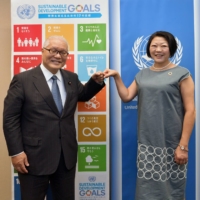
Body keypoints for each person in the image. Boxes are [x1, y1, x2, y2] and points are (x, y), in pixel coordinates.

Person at [3, 35, 105, 200]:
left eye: (63, 52)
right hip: (33, 158)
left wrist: (95, 82)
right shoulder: (23, 80)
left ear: (67, 56)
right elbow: (10, 119)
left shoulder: (71, 78)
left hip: (66, 158)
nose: (58, 56)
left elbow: (83, 95)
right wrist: (16, 152)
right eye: (53, 50)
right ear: (42, 51)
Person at [104, 31, 195, 200]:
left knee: (172, 191)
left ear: (171, 49)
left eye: (163, 46)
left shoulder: (182, 74)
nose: (158, 49)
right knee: (147, 190)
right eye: (154, 46)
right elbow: (126, 96)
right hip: (147, 143)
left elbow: (191, 110)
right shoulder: (142, 74)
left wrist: (183, 146)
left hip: (172, 142)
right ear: (148, 49)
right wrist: (117, 76)